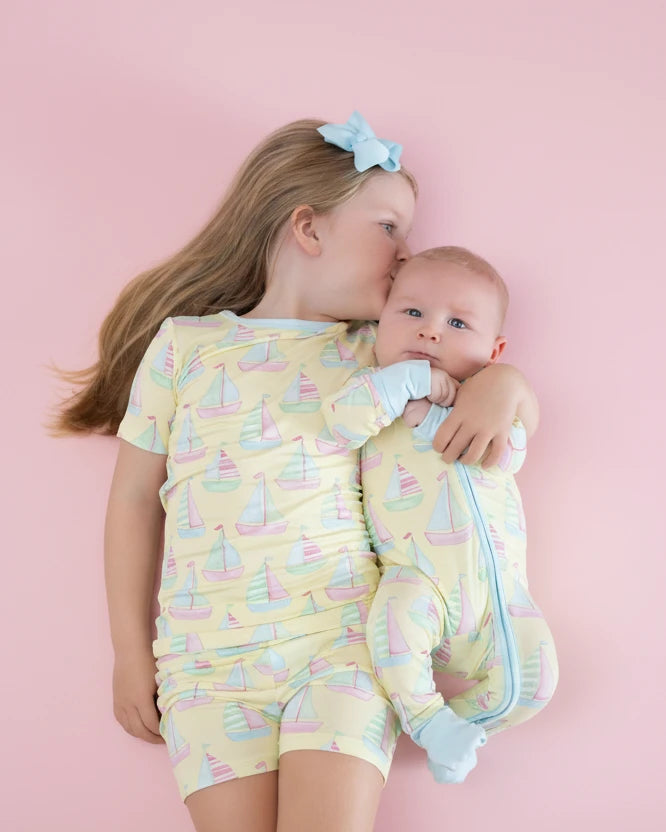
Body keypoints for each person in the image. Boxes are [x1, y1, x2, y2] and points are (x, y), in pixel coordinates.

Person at [53, 113, 540, 832]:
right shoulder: (185, 348)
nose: (405, 254)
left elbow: (473, 375)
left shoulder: (380, 352)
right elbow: (131, 500)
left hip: (341, 648)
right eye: (389, 229)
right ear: (308, 228)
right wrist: (129, 652)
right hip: (206, 668)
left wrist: (506, 384)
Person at [323, 245, 558, 786]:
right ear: (379, 323)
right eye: (412, 312)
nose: (430, 331)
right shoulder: (373, 389)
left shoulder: (484, 400)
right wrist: (409, 384)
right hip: (418, 578)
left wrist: (442, 414)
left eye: (457, 323)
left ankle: (446, 728)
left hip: (498, 592)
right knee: (392, 633)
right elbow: (341, 422)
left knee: (535, 683)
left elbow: (507, 454)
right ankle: (425, 715)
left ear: (493, 350)